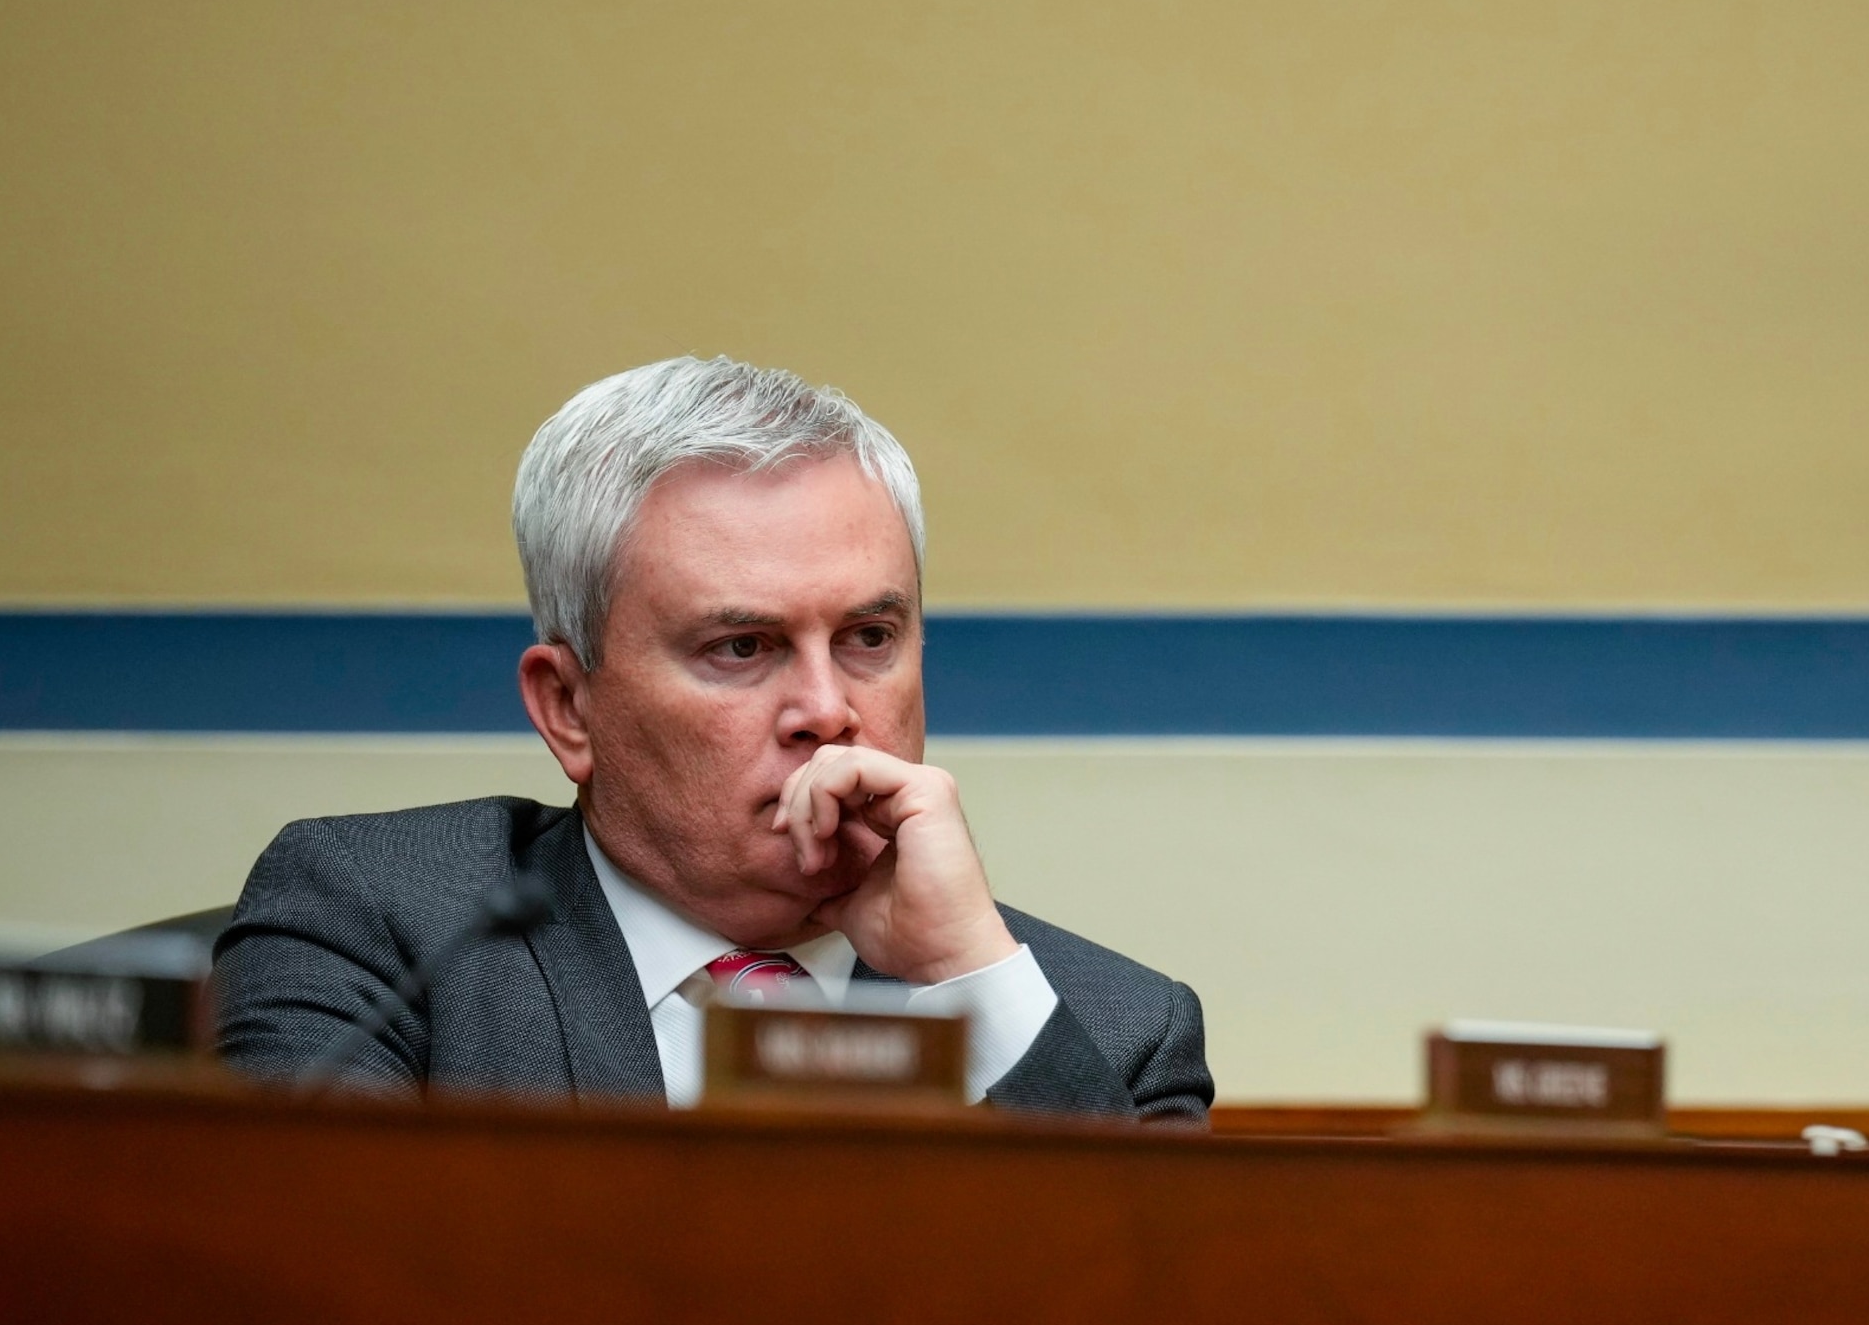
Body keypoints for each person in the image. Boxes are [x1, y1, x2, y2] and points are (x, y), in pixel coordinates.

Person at [213, 358, 1213, 1121]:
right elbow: (303, 1306)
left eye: (869, 637)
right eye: (742, 646)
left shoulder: (1108, 1028)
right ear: (568, 706)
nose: (827, 709)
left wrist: (969, 980)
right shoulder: (390, 929)